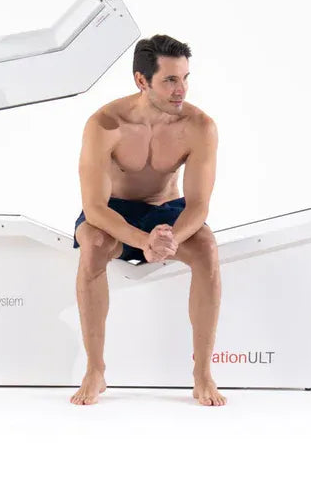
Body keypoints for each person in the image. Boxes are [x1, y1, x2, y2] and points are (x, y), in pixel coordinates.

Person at [70, 34, 226, 407]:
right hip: (115, 210)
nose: (181, 89)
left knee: (206, 247)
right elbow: (95, 208)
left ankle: (202, 374)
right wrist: (143, 241)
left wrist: (169, 239)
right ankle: (95, 370)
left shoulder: (200, 126)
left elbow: (199, 205)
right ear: (142, 80)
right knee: (93, 246)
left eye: (185, 78)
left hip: (167, 210)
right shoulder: (105, 124)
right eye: (170, 80)